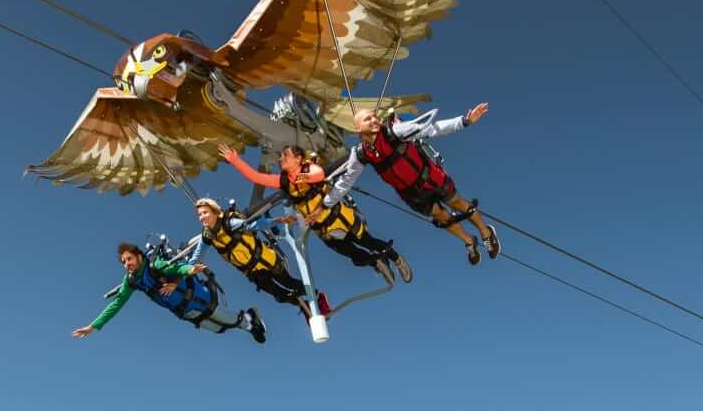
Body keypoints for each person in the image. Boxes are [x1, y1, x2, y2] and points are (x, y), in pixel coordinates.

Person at [329, 102, 500, 265]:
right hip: (412, 194)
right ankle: (469, 241)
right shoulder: (360, 154)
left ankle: (486, 233)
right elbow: (346, 181)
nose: (374, 120)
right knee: (441, 217)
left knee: (458, 203)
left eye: (375, 117)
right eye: (368, 119)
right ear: (358, 129)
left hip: (430, 177)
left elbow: (430, 129)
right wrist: (325, 204)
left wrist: (464, 121)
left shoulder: (394, 131)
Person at [216, 144, 411, 284]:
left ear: (298, 159)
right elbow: (257, 177)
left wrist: (297, 178)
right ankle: (375, 262)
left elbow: (318, 175)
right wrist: (235, 160)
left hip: (340, 219)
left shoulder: (310, 168)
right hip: (324, 231)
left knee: (368, 241)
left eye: (285, 155)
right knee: (353, 254)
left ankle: (395, 258)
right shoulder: (284, 181)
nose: (281, 159)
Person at [73, 242, 266, 343]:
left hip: (199, 298)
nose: (127, 264)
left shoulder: (154, 265)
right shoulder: (131, 281)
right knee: (219, 329)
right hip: (184, 311)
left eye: (129, 259)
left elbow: (177, 268)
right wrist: (94, 326)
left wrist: (190, 270)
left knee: (228, 319)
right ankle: (248, 323)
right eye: (123, 262)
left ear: (139, 256)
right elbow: (116, 304)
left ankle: (249, 319)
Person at [194, 198, 310, 315]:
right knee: (280, 296)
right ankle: (304, 306)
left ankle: (315, 295)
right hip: (254, 273)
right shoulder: (208, 236)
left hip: (266, 260)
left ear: (214, 211)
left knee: (290, 284)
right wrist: (184, 269)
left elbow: (255, 225)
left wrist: (279, 220)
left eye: (205, 212)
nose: (202, 217)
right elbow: (197, 256)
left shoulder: (230, 223)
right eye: (199, 214)